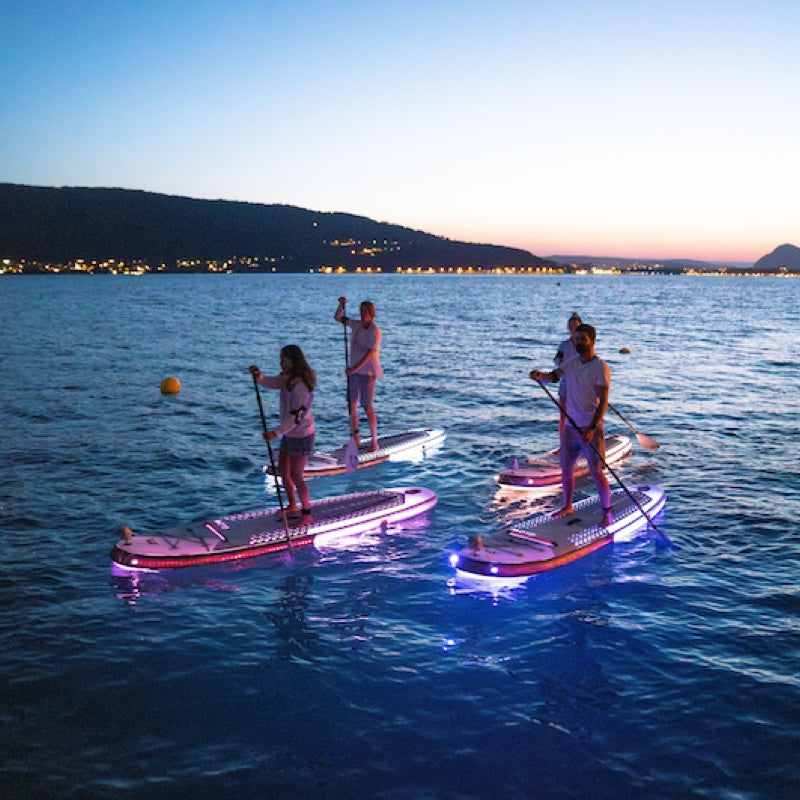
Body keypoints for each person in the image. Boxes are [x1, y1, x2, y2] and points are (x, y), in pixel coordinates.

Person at [530, 323, 613, 527]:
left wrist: (592, 428)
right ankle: (567, 506)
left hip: (590, 428)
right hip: (570, 427)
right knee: (566, 468)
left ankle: (607, 513)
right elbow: (553, 377)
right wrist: (540, 377)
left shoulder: (600, 367)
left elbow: (603, 401)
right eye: (576, 340)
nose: (578, 343)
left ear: (592, 341)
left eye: (582, 340)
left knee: (596, 471)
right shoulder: (572, 362)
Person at [250, 344, 316, 527]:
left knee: (296, 475)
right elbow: (271, 382)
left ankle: (307, 513)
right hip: (290, 433)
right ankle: (292, 505)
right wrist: (259, 377)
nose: (280, 363)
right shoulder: (287, 378)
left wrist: (275, 433)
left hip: (302, 434)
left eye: (283, 360)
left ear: (293, 362)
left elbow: (296, 418)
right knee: (283, 471)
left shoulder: (300, 387)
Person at [334, 296, 383, 451]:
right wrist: (341, 305)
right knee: (351, 405)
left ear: (371, 313)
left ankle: (375, 441)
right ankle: (355, 437)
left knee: (367, 406)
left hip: (367, 372)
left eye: (365, 312)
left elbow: (370, 353)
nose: (362, 315)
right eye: (361, 312)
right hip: (354, 372)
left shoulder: (375, 331)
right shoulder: (356, 325)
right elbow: (338, 318)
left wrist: (354, 368)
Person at [554, 312, 582, 439]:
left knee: (580, 415)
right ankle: (562, 444)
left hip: (581, 384)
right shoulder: (564, 345)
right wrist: (563, 367)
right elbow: (556, 361)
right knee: (564, 415)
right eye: (570, 326)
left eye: (575, 326)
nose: (572, 329)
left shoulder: (584, 345)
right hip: (565, 383)